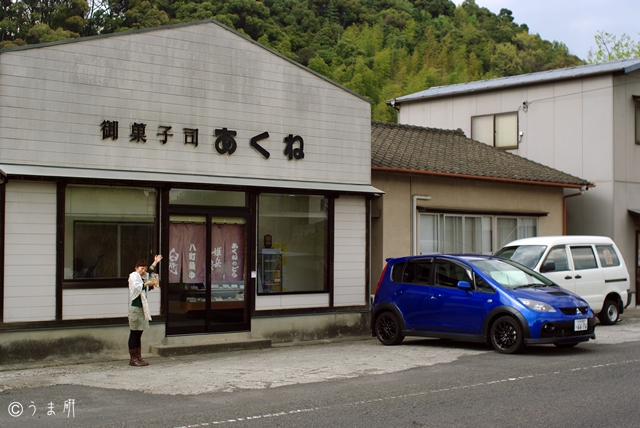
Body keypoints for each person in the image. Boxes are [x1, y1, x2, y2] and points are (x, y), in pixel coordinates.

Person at [128, 254, 162, 367]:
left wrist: (155, 262)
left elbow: (149, 273)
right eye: (141, 268)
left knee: (139, 333)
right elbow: (138, 287)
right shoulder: (134, 276)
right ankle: (133, 358)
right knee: (134, 333)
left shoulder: (143, 276)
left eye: (144, 269)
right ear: (136, 268)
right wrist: (148, 283)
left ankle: (139, 357)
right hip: (135, 308)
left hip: (142, 309)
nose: (143, 271)